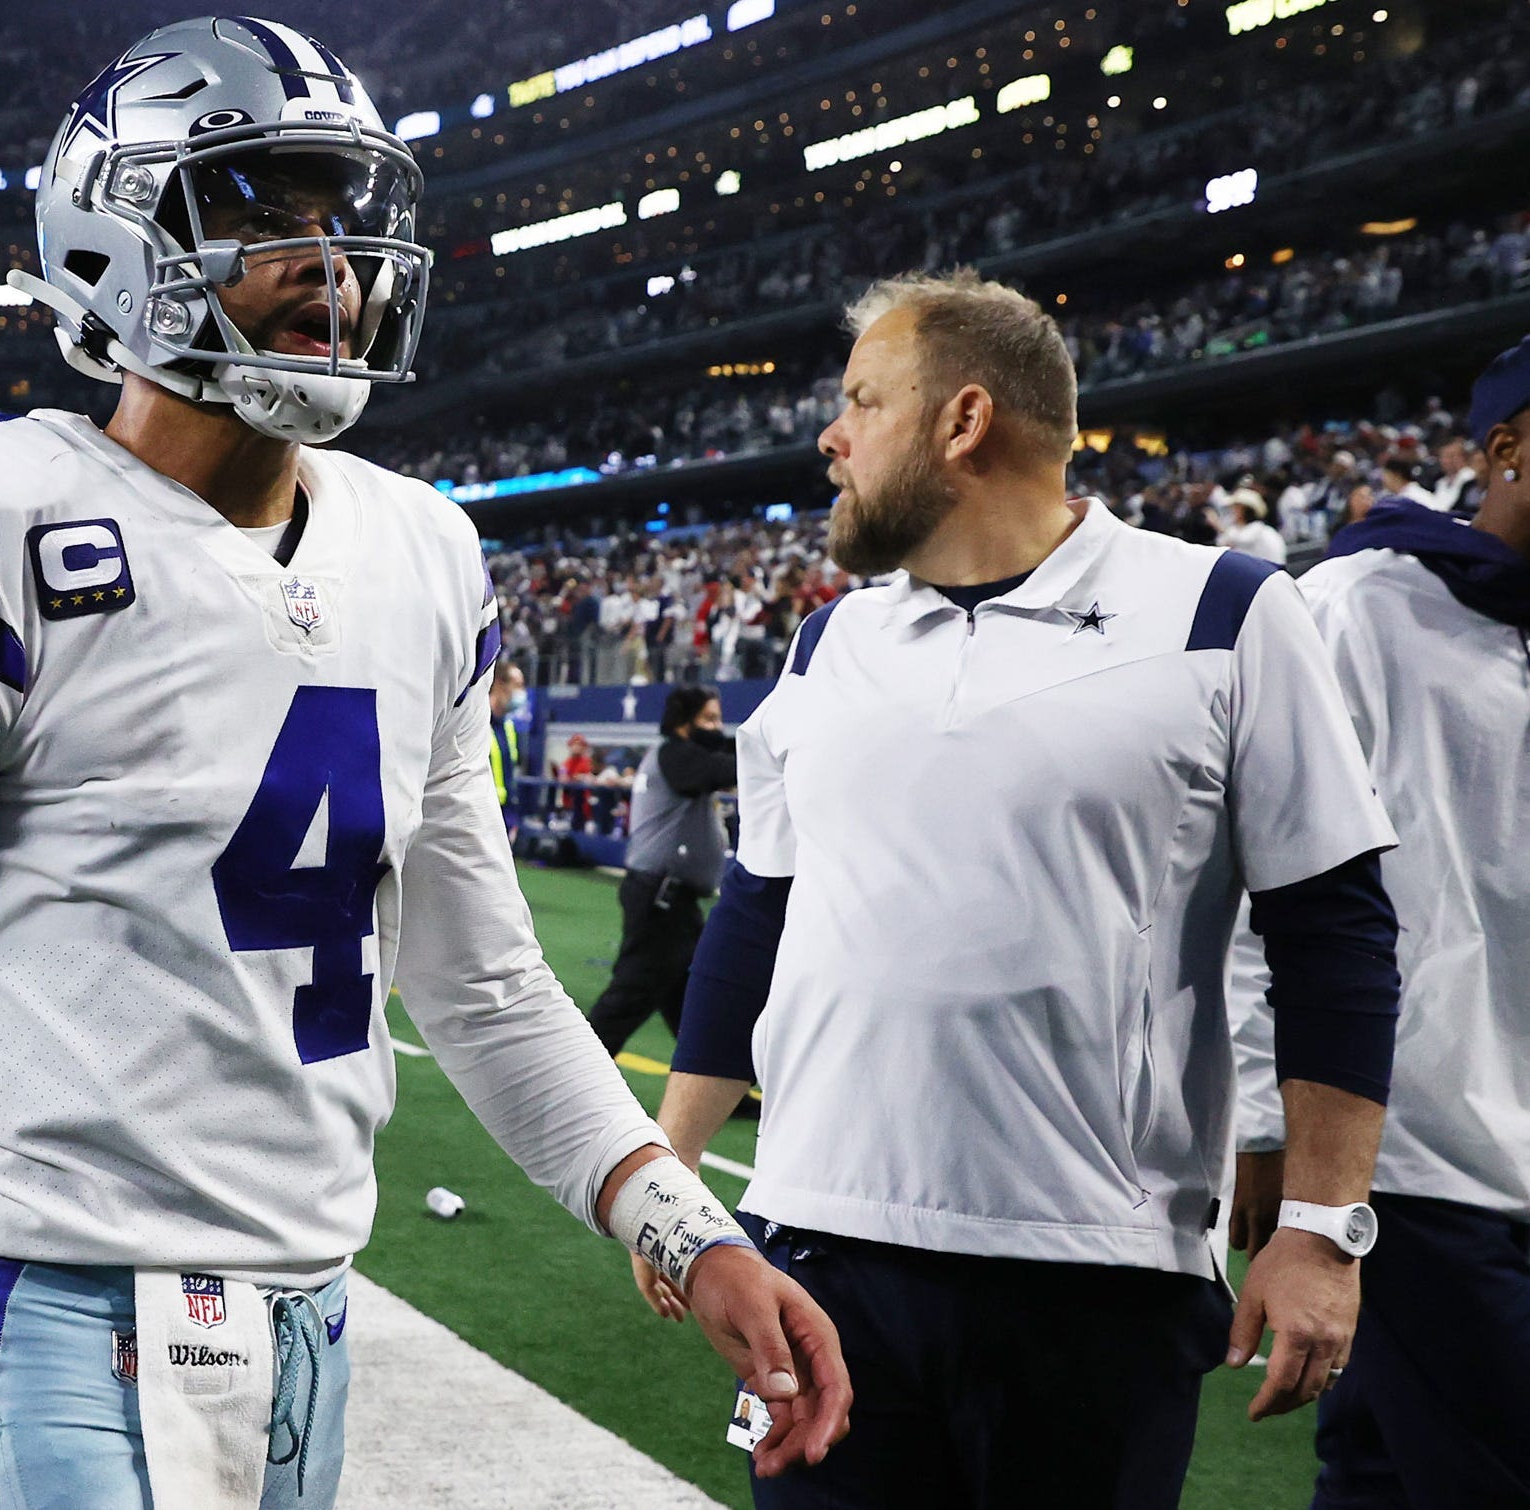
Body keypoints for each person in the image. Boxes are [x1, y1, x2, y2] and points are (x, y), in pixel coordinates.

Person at [0, 22, 849, 1508]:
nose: (328, 261)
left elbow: (483, 981)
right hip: (37, 1303)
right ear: (111, 243)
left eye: (337, 219)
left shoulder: (418, 549)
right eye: (256, 212)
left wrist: (690, 1235)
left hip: (309, 1318)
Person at [641, 270, 1401, 1508]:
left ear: (963, 420)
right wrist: (669, 1167)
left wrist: (1322, 1226)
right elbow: (757, 908)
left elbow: (1333, 929)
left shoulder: (1222, 611)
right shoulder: (829, 639)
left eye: (861, 402)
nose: (829, 436)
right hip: (816, 1241)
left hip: (1092, 1264)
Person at [1232, 333, 1530, 1506]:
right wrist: (1269, 1123)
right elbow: (1267, 882)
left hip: (1510, 1150)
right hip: (1408, 1157)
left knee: (1380, 1480)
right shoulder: (1357, 605)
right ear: (1502, 449)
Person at [587, 686, 736, 1058]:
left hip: (671, 899)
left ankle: (714, 1083)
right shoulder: (675, 754)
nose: (717, 728)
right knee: (631, 994)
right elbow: (718, 769)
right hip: (661, 900)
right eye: (709, 719)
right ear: (685, 723)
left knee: (694, 1003)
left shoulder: (676, 754)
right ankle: (571, 1081)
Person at [488, 658, 525, 831]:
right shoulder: (478, 722)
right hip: (482, 811)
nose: (521, 692)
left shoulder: (508, 727)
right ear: (499, 685)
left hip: (505, 812)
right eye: (517, 685)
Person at [1219, 488, 1289, 565]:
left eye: (1236, 507)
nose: (1233, 511)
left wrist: (1217, 526)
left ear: (1244, 510)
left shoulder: (1258, 529)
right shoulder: (1237, 528)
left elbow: (1241, 539)